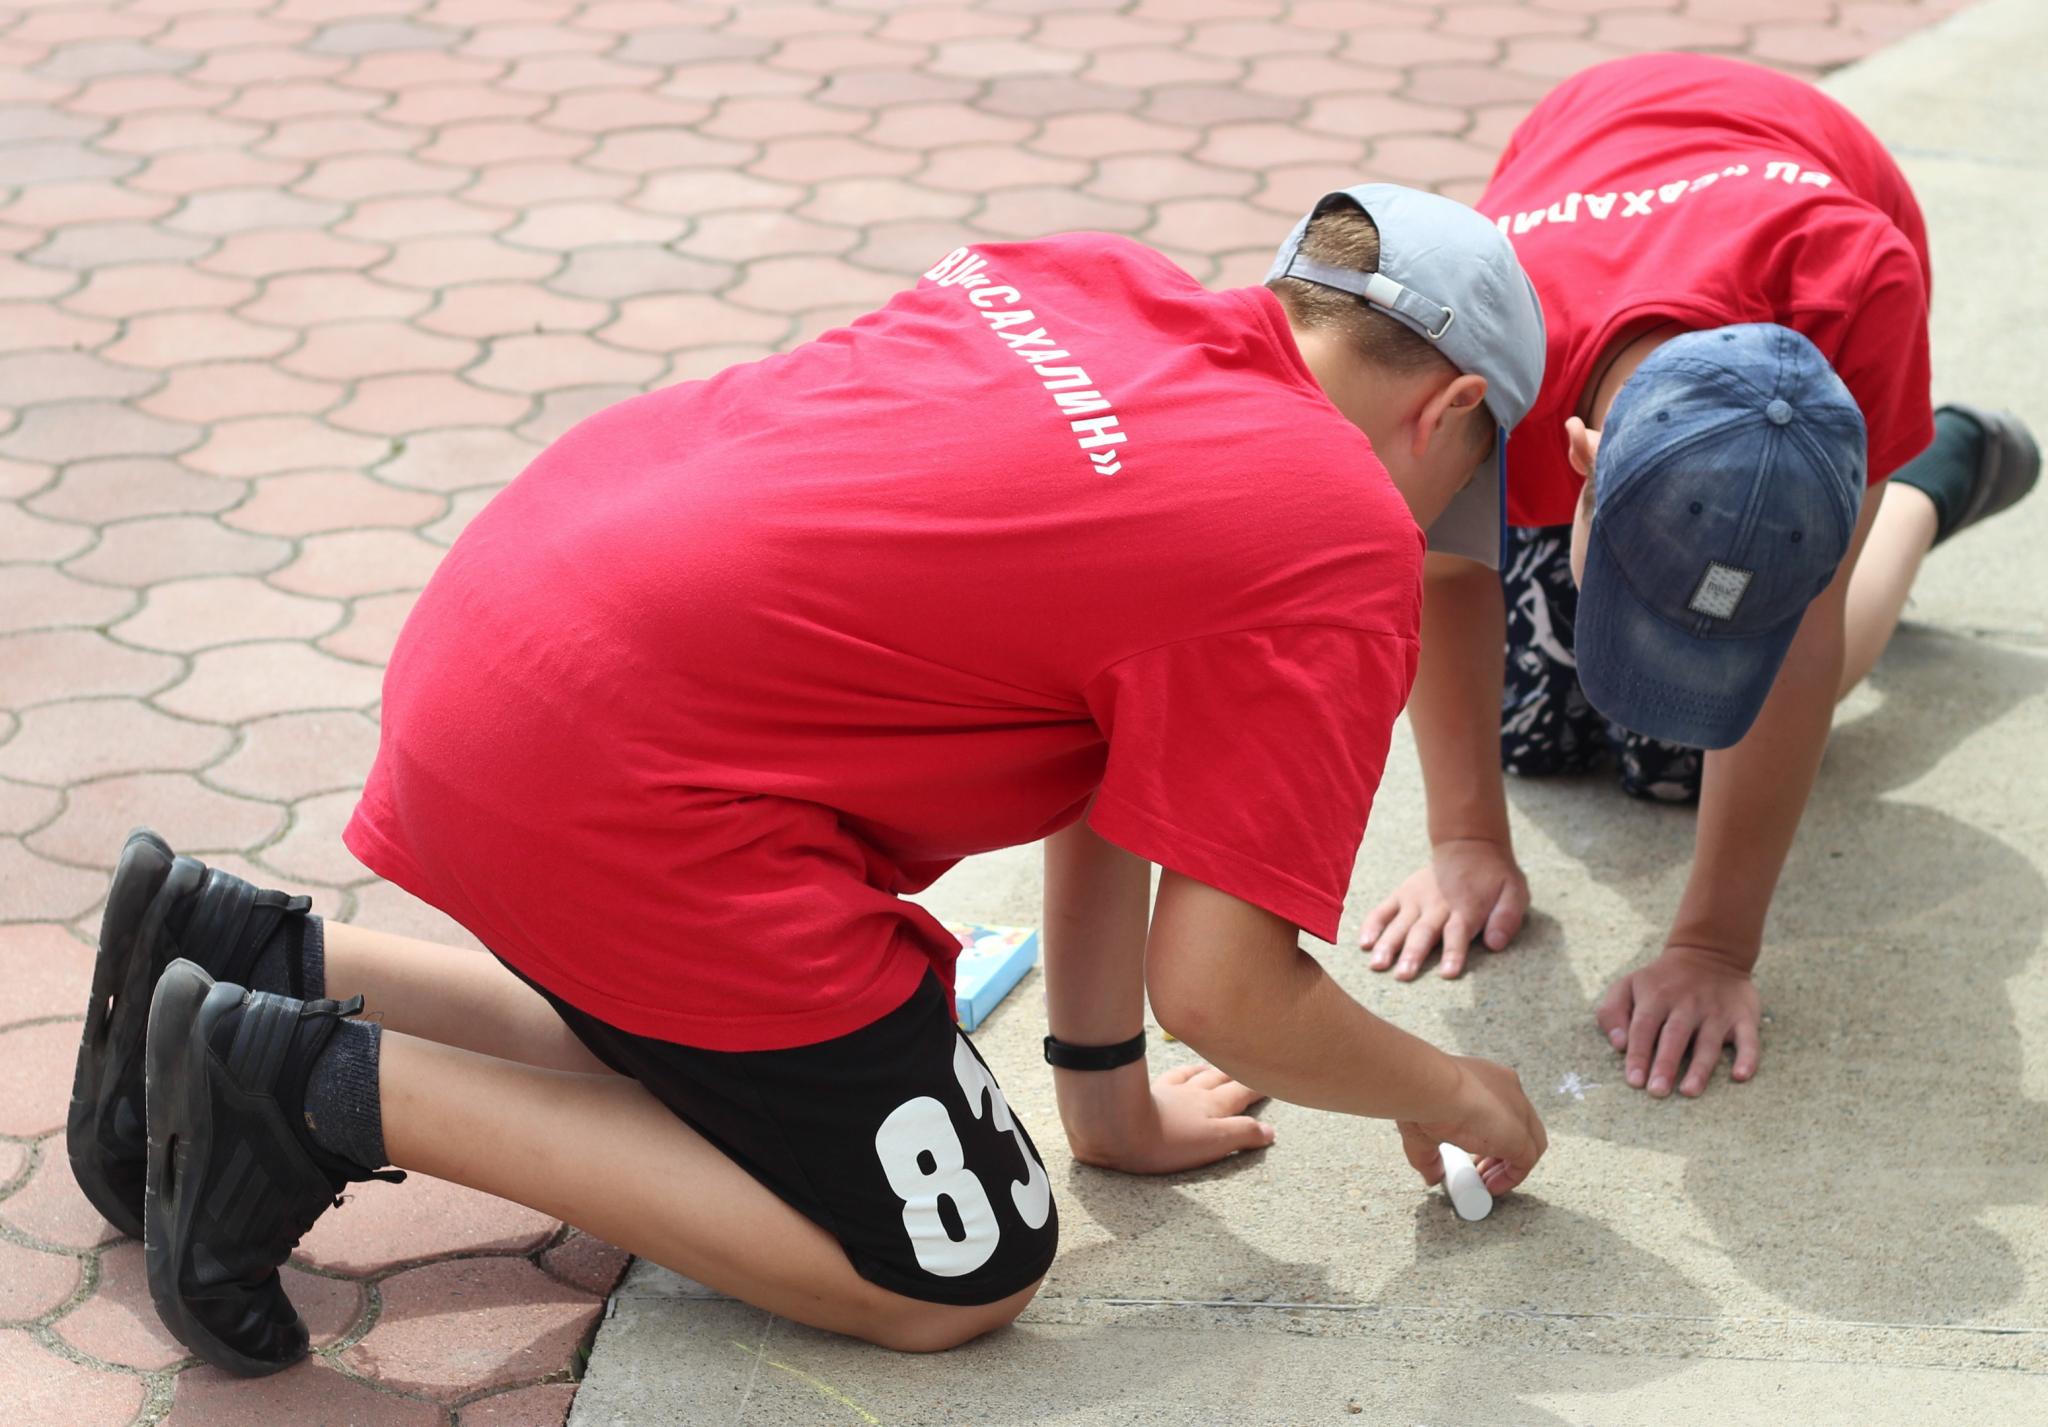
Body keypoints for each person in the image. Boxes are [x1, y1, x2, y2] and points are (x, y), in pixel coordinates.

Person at [71, 185, 1552, 1377]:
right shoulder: (1329, 527)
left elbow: (1124, 779)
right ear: (1451, 411)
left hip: (510, 639)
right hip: (634, 789)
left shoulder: (1099, 278)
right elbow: (1229, 989)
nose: (1433, 531)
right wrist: (1455, 1087)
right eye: (1459, 496)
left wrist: (1103, 1099)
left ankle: (242, 952)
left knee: (743, 1083)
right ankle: (313, 1087)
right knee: (956, 1259)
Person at [1359, 54, 2040, 1101]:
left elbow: (1803, 629)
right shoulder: (1486, 344)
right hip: (1594, 147)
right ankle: (1916, 475)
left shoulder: (1862, 285)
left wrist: (1713, 944)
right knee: (1531, 729)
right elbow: (1445, 574)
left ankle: (1925, 480)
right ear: (1576, 459)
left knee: (1683, 763)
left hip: (1817, 231)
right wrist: (1462, 838)